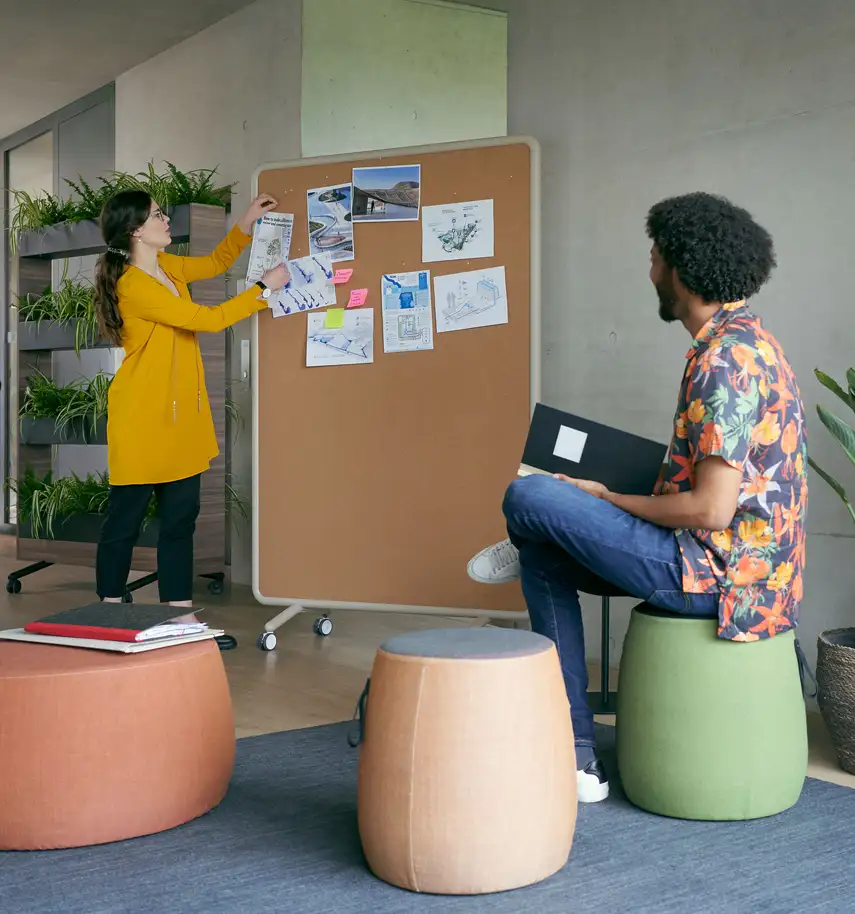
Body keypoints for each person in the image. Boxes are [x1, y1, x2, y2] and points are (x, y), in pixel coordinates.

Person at [467, 192, 807, 804]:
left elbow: (712, 510)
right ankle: (575, 760)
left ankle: (538, 534)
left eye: (654, 257)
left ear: (681, 267)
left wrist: (609, 498)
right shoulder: (755, 344)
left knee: (528, 496)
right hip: (748, 573)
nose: (650, 271)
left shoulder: (721, 361)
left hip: (718, 580)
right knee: (545, 556)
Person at [92, 189, 290, 622]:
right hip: (142, 422)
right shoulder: (133, 285)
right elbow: (207, 319)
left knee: (180, 523)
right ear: (135, 231)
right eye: (157, 215)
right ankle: (107, 610)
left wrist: (246, 222)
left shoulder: (166, 267)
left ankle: (179, 616)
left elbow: (215, 264)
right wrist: (262, 288)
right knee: (124, 525)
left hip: (181, 421)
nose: (166, 220)